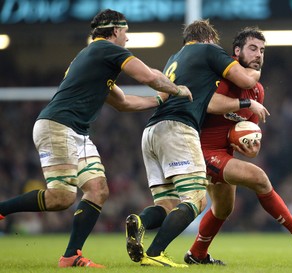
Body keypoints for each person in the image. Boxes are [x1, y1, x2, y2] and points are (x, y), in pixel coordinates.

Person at [0, 9, 192, 268]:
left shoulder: (97, 60)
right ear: (115, 31)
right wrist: (177, 89)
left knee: (97, 190)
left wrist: (159, 99)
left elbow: (123, 103)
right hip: (59, 126)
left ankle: (71, 256)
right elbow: (148, 76)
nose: (127, 39)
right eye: (125, 33)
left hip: (75, 131)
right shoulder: (106, 50)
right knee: (62, 198)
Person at [125, 19, 269, 268]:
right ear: (209, 38)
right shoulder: (208, 50)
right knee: (196, 199)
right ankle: (156, 251)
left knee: (168, 205)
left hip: (151, 131)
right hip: (179, 128)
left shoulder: (174, 58)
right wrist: (254, 74)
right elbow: (246, 81)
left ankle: (140, 222)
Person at [183, 27, 292, 265]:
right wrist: (244, 103)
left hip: (223, 153)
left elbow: (251, 138)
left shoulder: (257, 90)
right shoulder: (223, 74)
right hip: (201, 149)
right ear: (237, 51)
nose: (259, 54)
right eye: (253, 48)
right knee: (258, 177)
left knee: (224, 209)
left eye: (262, 50)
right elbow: (209, 103)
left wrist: (249, 144)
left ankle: (196, 255)